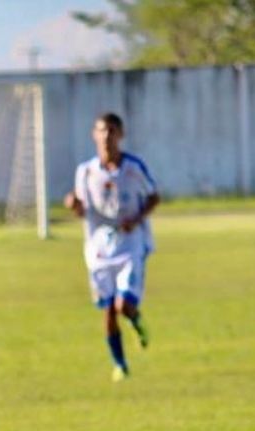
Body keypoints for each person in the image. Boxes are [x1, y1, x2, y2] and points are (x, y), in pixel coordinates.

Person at [63, 112, 159, 382]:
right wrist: (73, 204)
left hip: (130, 244)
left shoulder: (133, 167)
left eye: (112, 131)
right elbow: (82, 210)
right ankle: (120, 364)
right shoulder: (85, 171)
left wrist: (137, 219)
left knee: (123, 305)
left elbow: (154, 197)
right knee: (108, 310)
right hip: (99, 248)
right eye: (102, 131)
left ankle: (135, 319)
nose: (107, 136)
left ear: (121, 135)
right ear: (94, 135)